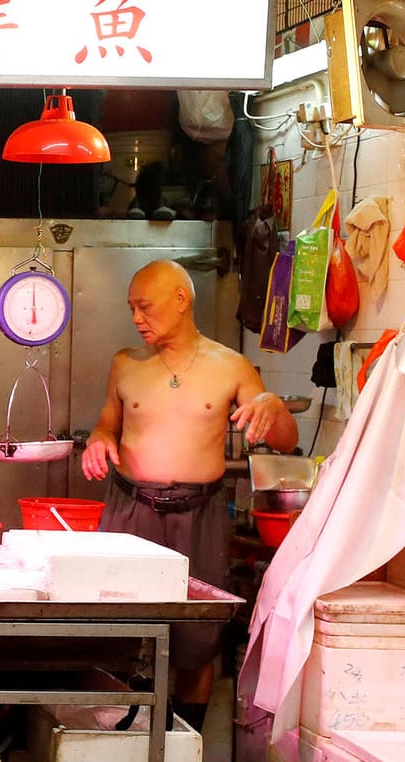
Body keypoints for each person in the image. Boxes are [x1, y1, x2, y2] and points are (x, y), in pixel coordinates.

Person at [80, 259, 297, 729]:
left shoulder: (230, 366)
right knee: (116, 629)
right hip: (130, 511)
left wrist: (273, 406)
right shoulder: (126, 363)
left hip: (199, 513)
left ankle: (184, 751)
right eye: (131, 308)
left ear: (181, 300)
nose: (136, 318)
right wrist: (99, 439)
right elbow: (107, 424)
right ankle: (122, 742)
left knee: (197, 639)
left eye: (144, 307)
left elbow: (282, 439)